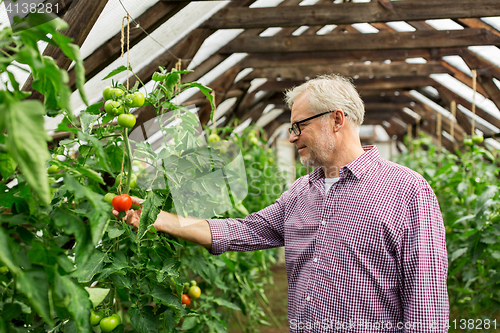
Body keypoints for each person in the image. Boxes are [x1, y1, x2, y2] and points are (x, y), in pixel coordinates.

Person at [117, 74, 449, 332]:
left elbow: (426, 303)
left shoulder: (407, 191)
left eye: (298, 126)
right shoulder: (300, 193)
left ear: (336, 120)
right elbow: (241, 231)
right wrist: (156, 218)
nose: (291, 137)